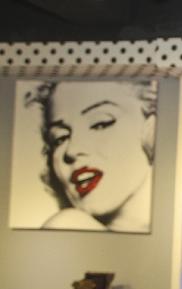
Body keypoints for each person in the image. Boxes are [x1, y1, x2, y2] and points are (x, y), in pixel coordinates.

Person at [24, 80, 157, 232]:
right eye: (60, 138)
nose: (72, 150)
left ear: (152, 130)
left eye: (100, 123)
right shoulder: (67, 227)